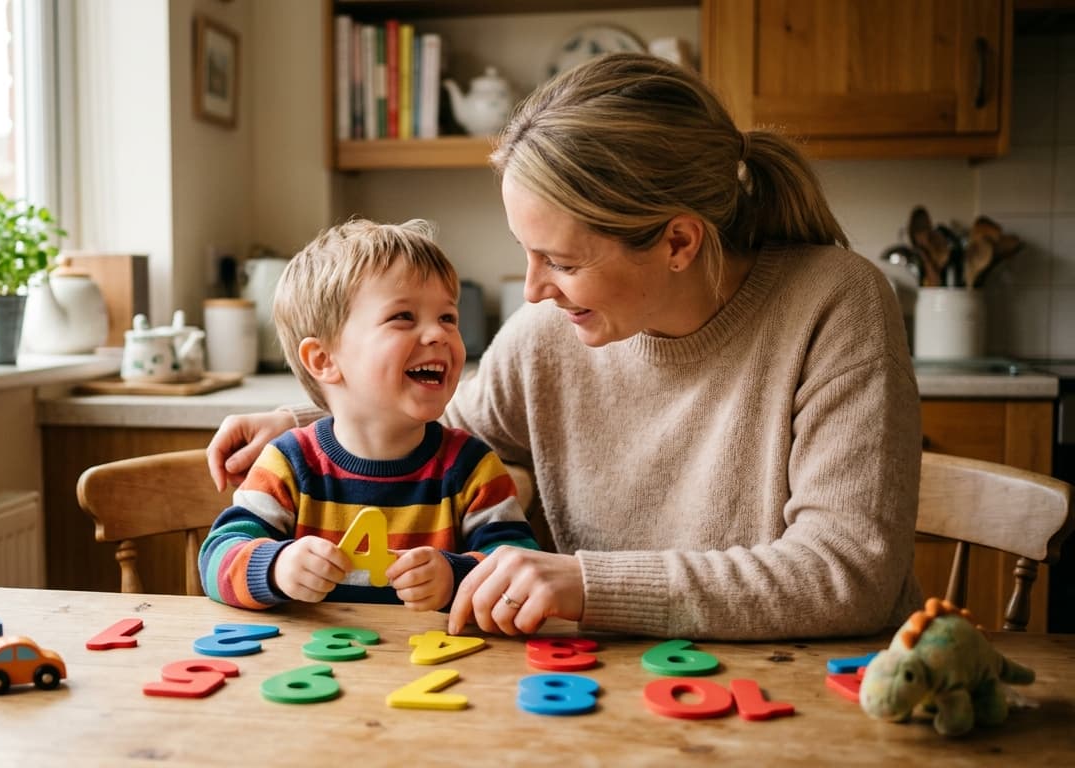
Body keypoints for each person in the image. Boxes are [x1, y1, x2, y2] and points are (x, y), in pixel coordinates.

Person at [206, 53, 922, 641]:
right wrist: (308, 421)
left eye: (564, 262)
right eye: (526, 253)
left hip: (812, 695)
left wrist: (585, 584)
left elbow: (844, 575)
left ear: (677, 241)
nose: (533, 291)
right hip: (600, 691)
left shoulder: (836, 304)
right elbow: (432, 434)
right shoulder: (549, 335)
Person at [197, 218, 541, 612]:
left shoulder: (473, 469)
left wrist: (455, 576)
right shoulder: (289, 464)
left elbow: (517, 567)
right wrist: (275, 567)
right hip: (312, 669)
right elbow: (215, 560)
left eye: (448, 317)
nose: (439, 334)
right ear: (324, 360)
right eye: (404, 317)